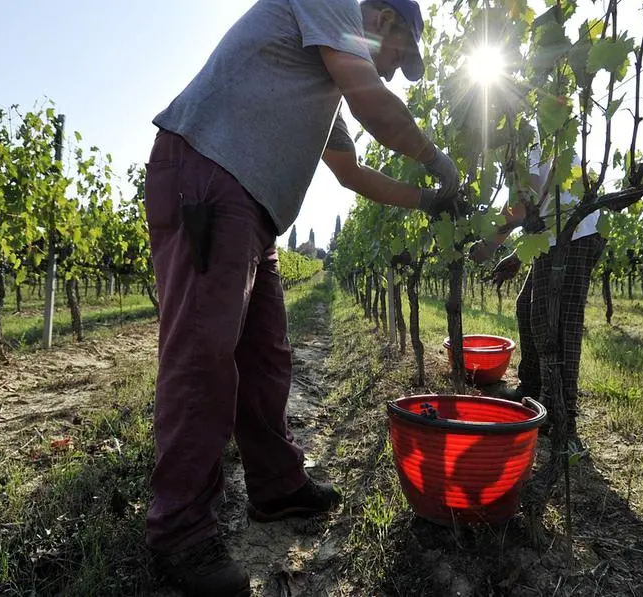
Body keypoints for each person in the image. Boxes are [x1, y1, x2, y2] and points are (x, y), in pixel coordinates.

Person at [142, 1, 461, 595]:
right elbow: (375, 104)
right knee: (203, 360)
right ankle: (179, 531)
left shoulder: (323, 77)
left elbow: (351, 175)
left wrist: (427, 201)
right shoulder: (331, 9)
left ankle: (275, 485)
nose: (392, 73)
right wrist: (437, 161)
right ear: (385, 19)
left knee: (265, 358)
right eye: (399, 58)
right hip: (208, 177)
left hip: (252, 209)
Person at [471, 145, 605, 447]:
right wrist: (519, 255)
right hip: (556, 233)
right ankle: (531, 390)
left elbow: (524, 204)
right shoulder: (527, 136)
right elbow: (541, 206)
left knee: (560, 325)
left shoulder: (523, 135)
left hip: (575, 233)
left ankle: (562, 419)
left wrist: (490, 245)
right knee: (526, 307)